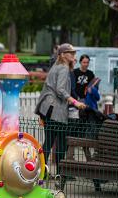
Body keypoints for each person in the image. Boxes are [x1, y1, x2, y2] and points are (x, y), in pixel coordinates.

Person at [35, 43, 86, 174]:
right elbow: (60, 90)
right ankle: (60, 175)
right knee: (61, 145)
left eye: (74, 53)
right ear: (63, 55)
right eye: (71, 53)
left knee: (49, 143)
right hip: (55, 110)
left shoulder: (56, 66)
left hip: (47, 109)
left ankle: (42, 173)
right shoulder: (63, 68)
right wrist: (75, 102)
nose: (74, 55)